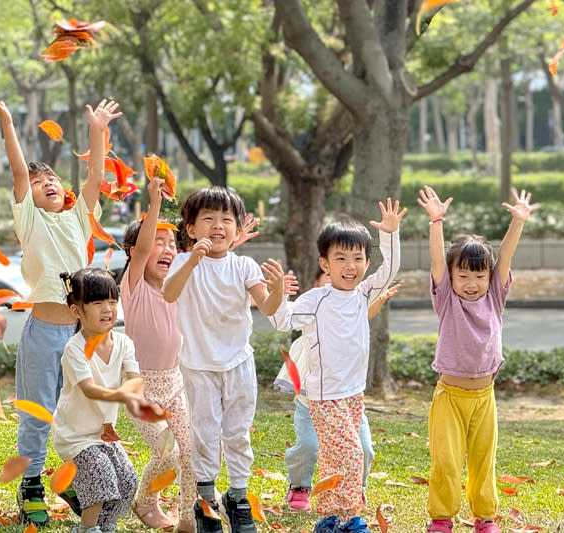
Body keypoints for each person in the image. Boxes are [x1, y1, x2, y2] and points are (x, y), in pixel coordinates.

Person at [0, 94, 120, 527]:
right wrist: (8, 123)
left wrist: (97, 132)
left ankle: (81, 484)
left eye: (53, 179)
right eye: (39, 180)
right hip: (44, 332)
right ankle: (30, 487)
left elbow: (96, 175)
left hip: (81, 338)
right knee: (38, 410)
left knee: (83, 411)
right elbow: (19, 170)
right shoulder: (31, 220)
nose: (48, 183)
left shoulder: (80, 217)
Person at [269, 199, 405, 533]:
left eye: (358, 258)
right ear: (325, 264)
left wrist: (390, 235)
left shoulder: (362, 294)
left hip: (353, 392)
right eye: (340, 258)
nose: (350, 265)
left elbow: (390, 270)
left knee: (336, 457)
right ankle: (350, 518)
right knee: (352, 455)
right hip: (324, 396)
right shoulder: (316, 300)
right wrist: (275, 294)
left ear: (366, 262)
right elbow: (279, 321)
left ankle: (328, 518)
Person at [162, 186, 286, 533]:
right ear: (191, 229)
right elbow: (169, 294)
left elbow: (268, 307)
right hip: (198, 365)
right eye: (209, 219)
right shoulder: (183, 262)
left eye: (226, 220)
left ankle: (238, 497)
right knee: (204, 432)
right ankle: (206, 500)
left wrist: (276, 290)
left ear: (236, 229)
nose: (218, 226)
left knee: (237, 433)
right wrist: (195, 259)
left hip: (238, 364)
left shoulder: (244, 265)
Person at [417, 186, 539, 533]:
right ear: (452, 277)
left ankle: (485, 518)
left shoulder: (495, 296)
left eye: (479, 276)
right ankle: (442, 517)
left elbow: (506, 257)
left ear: (489, 277)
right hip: (449, 398)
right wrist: (436, 221)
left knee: (484, 462)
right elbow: (438, 261)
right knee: (447, 461)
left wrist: (518, 223)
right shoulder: (446, 300)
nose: (471, 283)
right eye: (464, 276)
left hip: (484, 399)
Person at [274, 268, 398, 512]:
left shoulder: (351, 314)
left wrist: (379, 300)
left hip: (347, 402)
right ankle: (299, 485)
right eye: (329, 283)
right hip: (311, 404)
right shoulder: (313, 313)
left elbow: (363, 316)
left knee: (363, 448)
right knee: (309, 446)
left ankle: (355, 487)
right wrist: (280, 294)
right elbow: (284, 317)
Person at [120, 178, 195, 532]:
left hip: (175, 384)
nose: (166, 249)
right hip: (142, 388)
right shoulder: (133, 285)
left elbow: (198, 260)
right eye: (157, 243)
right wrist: (153, 202)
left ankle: (189, 517)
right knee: (170, 454)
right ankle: (145, 500)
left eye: (171, 243)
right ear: (135, 252)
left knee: (191, 453)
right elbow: (144, 243)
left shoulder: (177, 287)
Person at [54, 268, 153, 533]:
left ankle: (104, 525)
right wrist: (121, 394)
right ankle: (86, 528)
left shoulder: (123, 343)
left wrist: (133, 393)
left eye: (112, 301)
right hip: (75, 435)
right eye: (97, 302)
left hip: (103, 434)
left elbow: (135, 378)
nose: (107, 309)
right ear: (77, 311)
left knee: (127, 480)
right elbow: (89, 389)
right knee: (101, 475)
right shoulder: (75, 348)